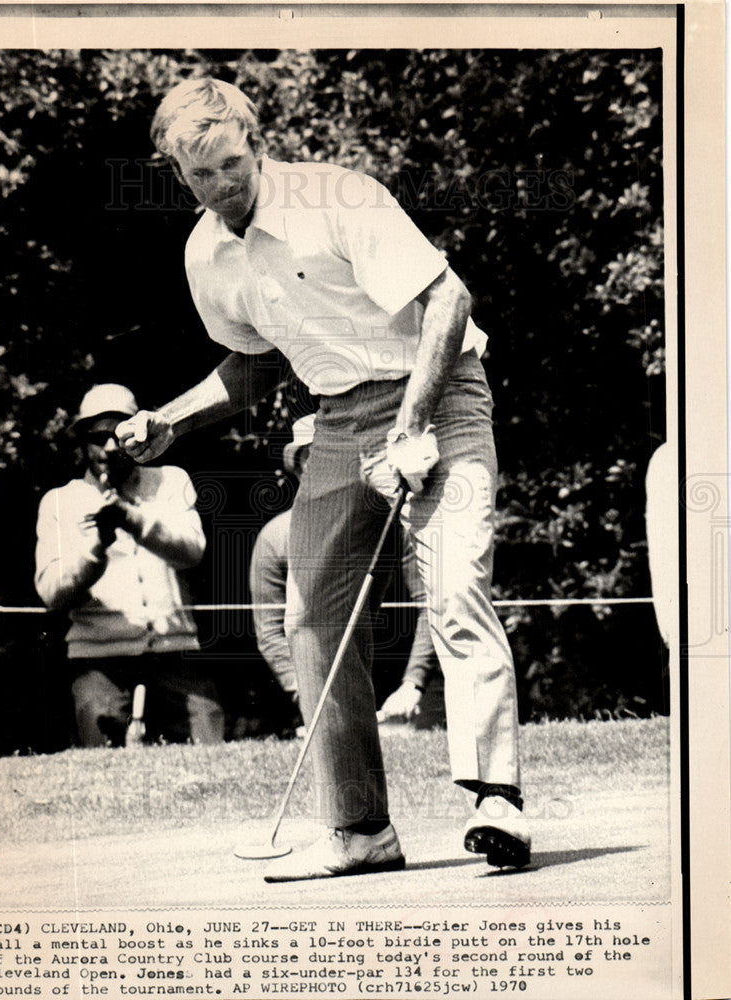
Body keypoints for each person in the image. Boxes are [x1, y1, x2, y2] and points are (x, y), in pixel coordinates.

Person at [117, 77, 530, 880]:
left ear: (257, 144)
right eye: (200, 175)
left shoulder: (337, 197)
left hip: (441, 392)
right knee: (309, 615)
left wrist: (413, 421)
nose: (222, 185)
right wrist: (171, 419)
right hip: (339, 419)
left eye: (232, 164)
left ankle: (496, 800)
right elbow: (248, 364)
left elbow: (448, 299)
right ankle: (359, 829)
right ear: (177, 173)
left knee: (451, 588)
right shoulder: (206, 256)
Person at [35, 383, 225, 747]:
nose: (109, 447)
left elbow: (192, 551)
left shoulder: (171, 480)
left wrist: (132, 520)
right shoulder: (59, 501)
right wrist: (96, 551)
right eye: (98, 437)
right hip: (100, 659)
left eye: (120, 435)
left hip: (175, 651)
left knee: (210, 754)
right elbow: (51, 594)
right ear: (82, 441)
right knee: (104, 772)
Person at [249, 414, 440, 725]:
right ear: (299, 467)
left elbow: (430, 603)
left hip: (405, 691)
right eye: (312, 459)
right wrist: (308, 694)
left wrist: (413, 683)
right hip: (324, 692)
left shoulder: (396, 523)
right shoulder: (275, 537)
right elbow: (270, 631)